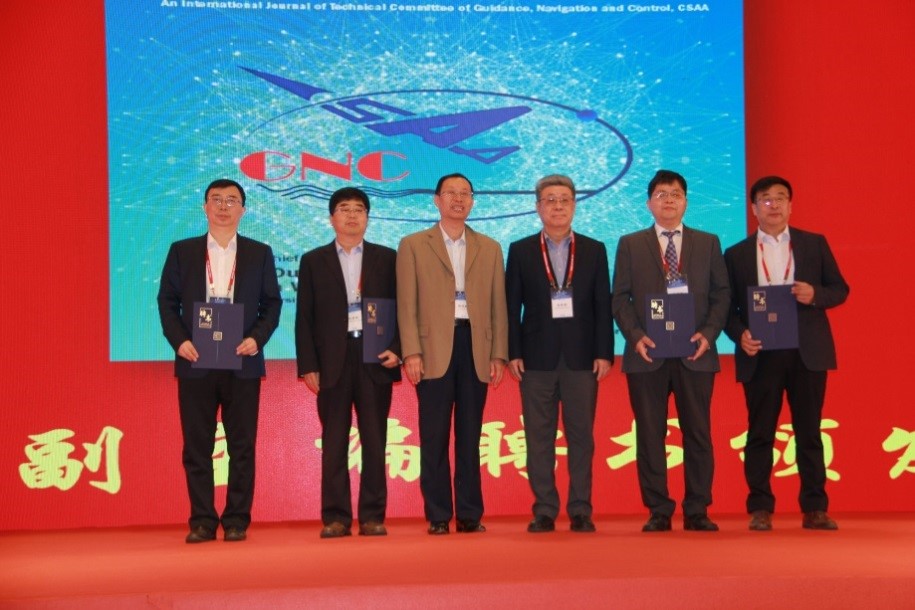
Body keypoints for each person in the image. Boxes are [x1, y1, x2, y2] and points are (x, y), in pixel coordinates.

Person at [158, 178, 282, 543]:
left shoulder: (259, 252)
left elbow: (272, 303)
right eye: (216, 199)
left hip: (242, 359)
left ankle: (237, 520)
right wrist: (180, 341)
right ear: (205, 207)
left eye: (231, 200)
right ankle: (201, 521)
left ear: (243, 210)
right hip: (196, 358)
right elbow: (167, 301)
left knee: (241, 446)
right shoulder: (182, 251)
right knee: (198, 446)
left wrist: (256, 339)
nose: (224, 206)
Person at [724, 175, 849, 531]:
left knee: (809, 431)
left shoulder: (813, 244)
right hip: (761, 352)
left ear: (791, 205)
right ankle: (760, 507)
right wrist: (740, 334)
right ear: (754, 208)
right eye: (766, 199)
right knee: (760, 432)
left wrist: (816, 295)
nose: (774, 204)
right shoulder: (736, 254)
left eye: (780, 198)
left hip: (805, 351)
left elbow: (840, 289)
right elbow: (726, 308)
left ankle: (815, 507)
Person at [612, 169, 730, 532]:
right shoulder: (630, 244)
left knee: (698, 434)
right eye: (661, 194)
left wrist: (708, 334)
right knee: (650, 434)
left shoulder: (708, 242)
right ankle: (658, 510)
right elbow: (619, 297)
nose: (668, 200)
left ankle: (697, 509)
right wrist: (635, 336)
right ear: (649, 203)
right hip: (648, 354)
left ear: (686, 202)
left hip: (695, 352)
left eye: (675, 193)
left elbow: (722, 294)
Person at [396, 173, 509, 535]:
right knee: (434, 436)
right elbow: (406, 304)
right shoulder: (414, 245)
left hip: (476, 347)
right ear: (437, 200)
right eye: (451, 193)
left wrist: (499, 353)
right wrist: (411, 352)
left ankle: (470, 514)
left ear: (472, 201)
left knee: (470, 436)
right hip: (432, 350)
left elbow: (499, 305)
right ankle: (439, 514)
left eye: (465, 194)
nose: (458, 199)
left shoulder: (490, 247)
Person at [505, 174, 613, 534]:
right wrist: (513, 351)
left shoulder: (594, 249)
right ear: (538, 207)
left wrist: (604, 352)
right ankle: (545, 510)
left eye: (564, 200)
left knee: (581, 437)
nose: (558, 206)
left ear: (574, 205)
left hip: (582, 358)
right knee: (539, 437)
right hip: (535, 358)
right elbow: (511, 307)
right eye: (550, 200)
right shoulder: (521, 250)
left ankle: (581, 509)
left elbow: (602, 305)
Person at [295, 187, 401, 539]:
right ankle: (336, 517)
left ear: (368, 217)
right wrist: (308, 364)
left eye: (359, 209)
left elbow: (404, 307)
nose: (352, 215)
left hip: (375, 356)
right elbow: (304, 317)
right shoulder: (314, 260)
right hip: (332, 361)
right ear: (332, 218)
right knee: (334, 441)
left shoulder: (387, 258)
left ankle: (372, 516)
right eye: (344, 209)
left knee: (375, 439)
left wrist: (398, 348)